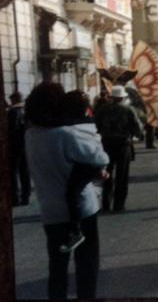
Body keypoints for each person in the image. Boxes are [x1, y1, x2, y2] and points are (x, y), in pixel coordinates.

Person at [25, 82, 109, 299]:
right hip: (81, 207)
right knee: (87, 264)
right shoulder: (66, 134)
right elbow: (100, 158)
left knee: (57, 267)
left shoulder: (31, 136)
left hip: (50, 209)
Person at [59, 91, 109, 254]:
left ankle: (75, 230)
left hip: (85, 162)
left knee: (71, 192)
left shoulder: (68, 125)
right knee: (76, 190)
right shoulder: (87, 119)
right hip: (92, 160)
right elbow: (96, 141)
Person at [95, 85, 142, 212]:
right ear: (122, 97)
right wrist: (139, 135)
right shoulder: (128, 110)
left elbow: (96, 126)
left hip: (106, 144)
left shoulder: (102, 110)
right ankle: (119, 204)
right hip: (123, 144)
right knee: (122, 175)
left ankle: (105, 203)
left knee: (106, 174)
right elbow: (137, 127)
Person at [8, 91, 31, 206]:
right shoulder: (26, 111)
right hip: (25, 144)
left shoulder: (13, 112)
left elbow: (12, 130)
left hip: (14, 146)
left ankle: (15, 197)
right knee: (24, 171)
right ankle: (26, 196)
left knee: (13, 172)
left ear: (14, 99)